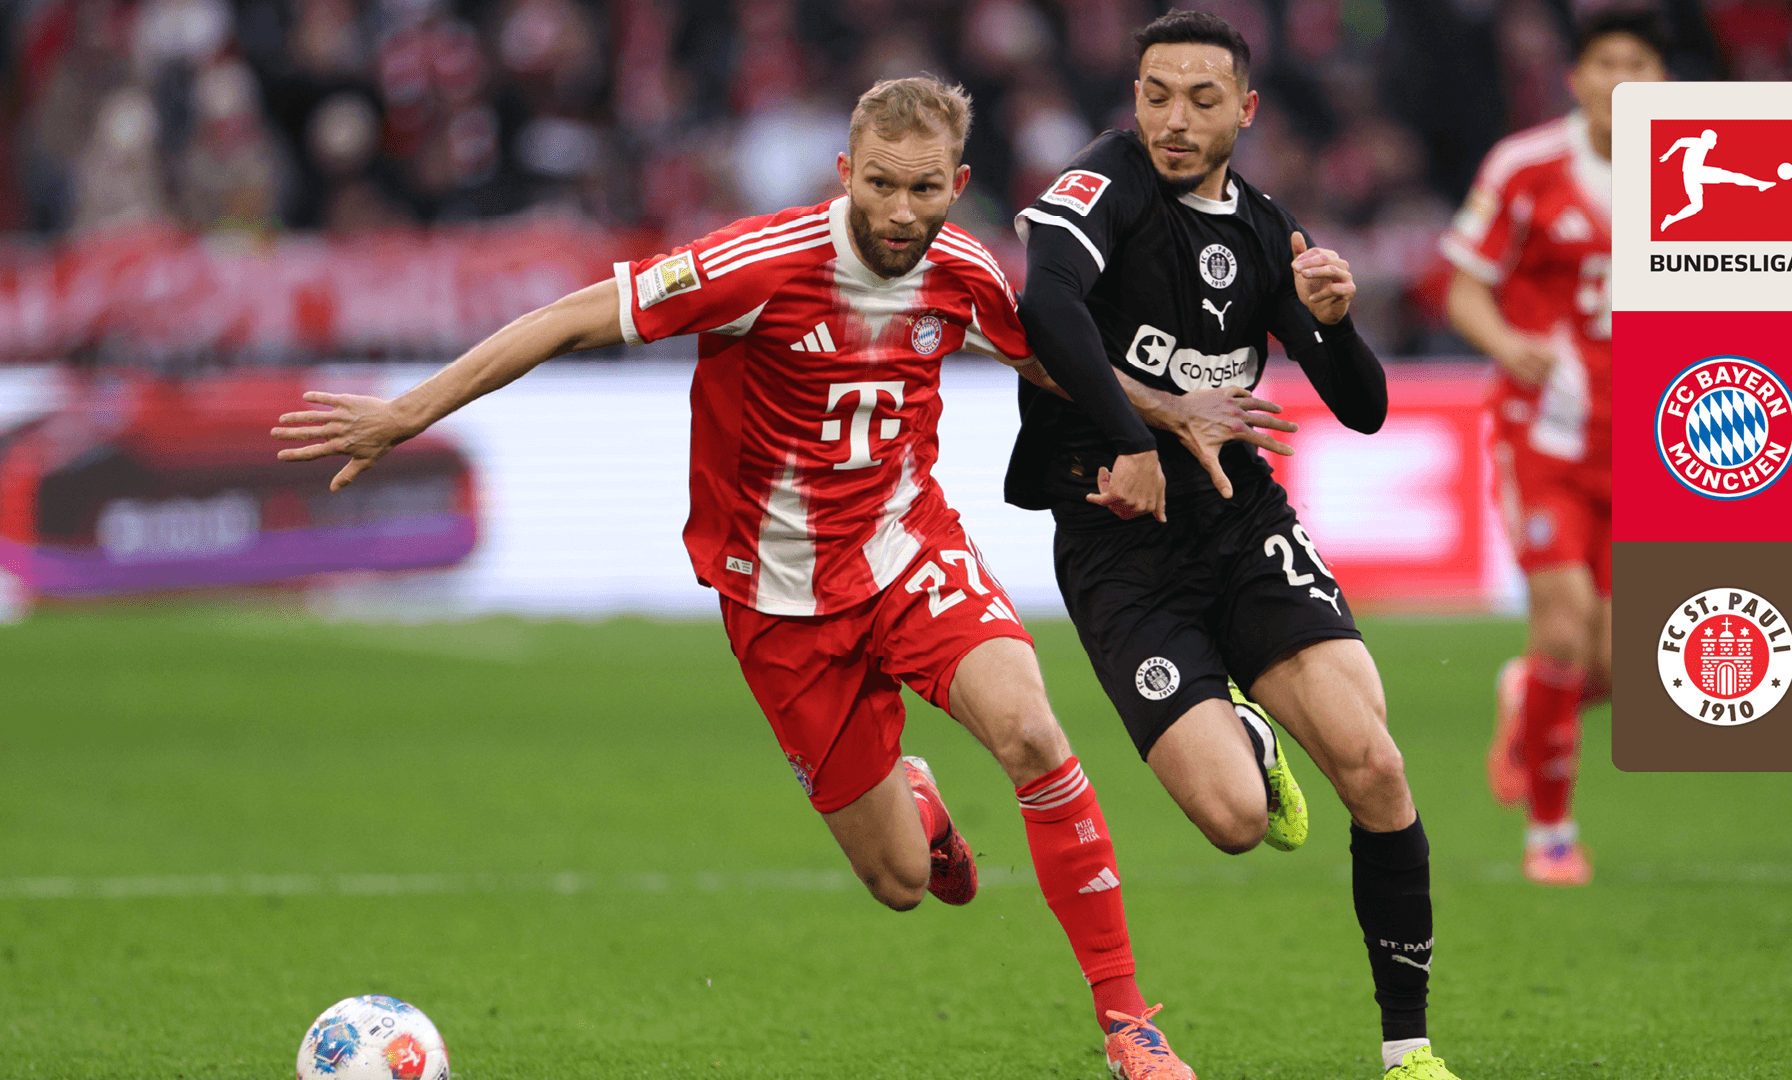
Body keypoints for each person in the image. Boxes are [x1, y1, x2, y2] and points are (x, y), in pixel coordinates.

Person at [271, 77, 1196, 1080]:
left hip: (907, 550)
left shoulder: (964, 271)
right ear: (845, 173)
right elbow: (571, 319)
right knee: (898, 881)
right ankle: (917, 805)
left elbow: (1056, 363)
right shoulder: (760, 264)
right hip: (778, 602)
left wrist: (1170, 411)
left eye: (924, 189)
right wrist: (409, 411)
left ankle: (1128, 1026)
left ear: (958, 184)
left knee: (1033, 732)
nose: (900, 211)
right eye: (880, 185)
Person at [1006, 12, 1460, 1080]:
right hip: (1118, 537)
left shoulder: (1264, 229)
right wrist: (1140, 438)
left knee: (1374, 765)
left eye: (1202, 100)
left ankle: (1409, 1049)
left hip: (1239, 520)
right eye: (1156, 94)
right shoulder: (1103, 187)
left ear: (1246, 111)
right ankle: (1247, 735)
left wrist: (1334, 324)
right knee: (1235, 820)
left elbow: (1363, 408)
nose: (1173, 119)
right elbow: (1045, 307)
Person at [1441, 8, 1666, 887]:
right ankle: (1552, 835)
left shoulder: (1712, 172)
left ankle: (1523, 695)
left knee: (1622, 667)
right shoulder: (1525, 167)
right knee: (1565, 630)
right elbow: (1463, 288)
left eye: (1638, 63)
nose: (1621, 78)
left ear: (1663, 82)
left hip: (1660, 444)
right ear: (1576, 79)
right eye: (1605, 62)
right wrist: (1508, 345)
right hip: (1547, 436)